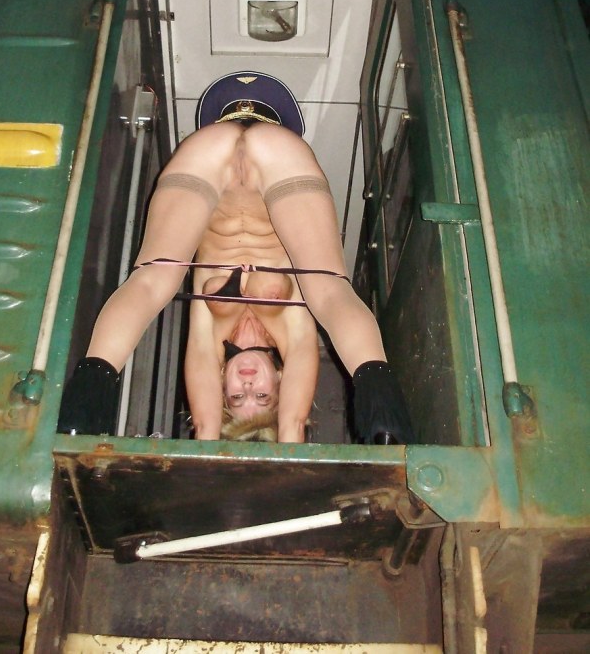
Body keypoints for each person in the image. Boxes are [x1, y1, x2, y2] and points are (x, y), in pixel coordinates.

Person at [58, 71, 413, 445]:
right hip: (279, 154)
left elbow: (206, 428)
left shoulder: (210, 334)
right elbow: (293, 425)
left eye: (237, 397)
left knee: (152, 280)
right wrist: (289, 450)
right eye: (262, 395)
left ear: (221, 387)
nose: (247, 384)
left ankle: (84, 405)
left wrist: (210, 444)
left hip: (207, 151)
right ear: (280, 382)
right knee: (328, 288)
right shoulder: (288, 328)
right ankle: (385, 412)